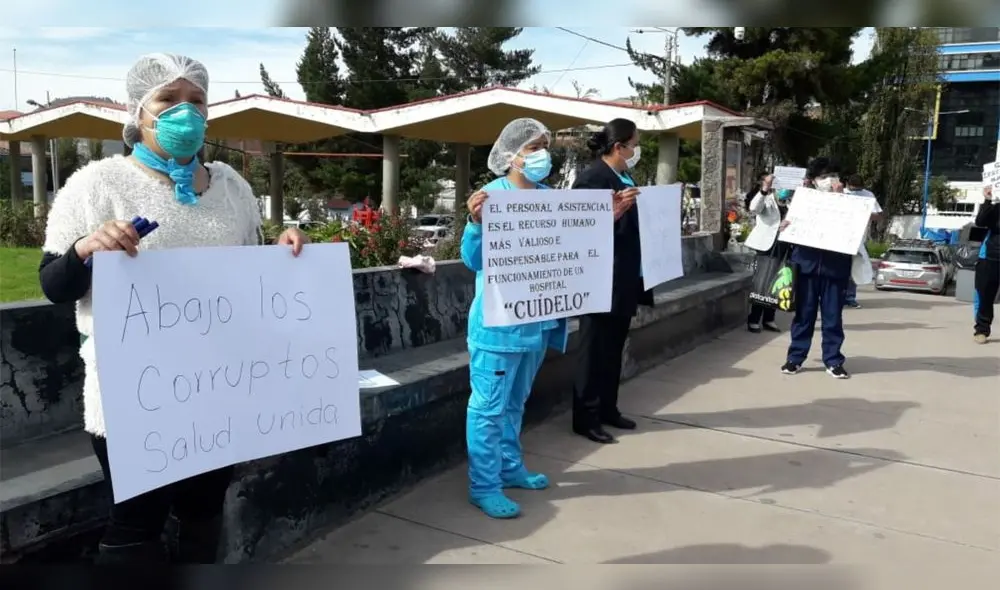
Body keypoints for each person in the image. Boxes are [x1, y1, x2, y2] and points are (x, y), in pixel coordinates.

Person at [37, 53, 309, 564]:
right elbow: (53, 284)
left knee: (204, 511)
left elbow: (250, 273)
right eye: (168, 99)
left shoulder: (232, 187)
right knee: (136, 523)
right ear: (139, 112)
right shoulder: (97, 184)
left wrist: (286, 252)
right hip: (134, 391)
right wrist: (87, 249)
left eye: (197, 100)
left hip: (219, 384)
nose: (185, 111)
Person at [460, 118, 570, 519]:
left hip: (535, 325)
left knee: (515, 404)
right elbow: (472, 261)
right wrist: (475, 224)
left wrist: (600, 221)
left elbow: (570, 252)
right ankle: (483, 485)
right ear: (512, 155)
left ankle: (509, 467)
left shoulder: (549, 198)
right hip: (498, 328)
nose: (542, 155)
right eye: (533, 147)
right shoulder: (489, 197)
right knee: (488, 408)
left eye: (545, 146)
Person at [570, 118, 650, 444]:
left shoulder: (625, 175)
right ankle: (585, 416)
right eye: (634, 145)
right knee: (593, 350)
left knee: (615, 347)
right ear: (619, 146)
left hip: (625, 277)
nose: (636, 151)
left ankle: (608, 407)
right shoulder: (592, 179)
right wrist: (611, 214)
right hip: (599, 278)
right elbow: (577, 229)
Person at [778, 157, 852, 379]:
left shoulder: (850, 203)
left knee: (832, 318)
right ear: (812, 180)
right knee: (804, 315)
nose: (828, 180)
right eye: (822, 177)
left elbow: (855, 228)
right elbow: (789, 230)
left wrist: (839, 199)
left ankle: (833, 360)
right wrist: (784, 227)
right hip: (806, 267)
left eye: (832, 176)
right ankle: (795, 358)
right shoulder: (802, 201)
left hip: (835, 269)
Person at [743, 173, 789, 333]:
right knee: (762, 282)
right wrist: (765, 189)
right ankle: (754, 319)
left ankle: (769, 318)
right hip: (767, 245)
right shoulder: (764, 197)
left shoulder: (789, 199)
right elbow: (754, 208)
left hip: (785, 244)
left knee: (778, 282)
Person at [842, 174, 883, 308]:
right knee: (839, 268)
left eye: (858, 189)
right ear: (847, 184)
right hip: (841, 236)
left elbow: (878, 215)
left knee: (855, 268)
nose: (856, 192)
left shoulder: (868, 195)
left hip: (859, 238)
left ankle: (850, 297)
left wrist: (865, 212)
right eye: (853, 190)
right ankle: (836, 297)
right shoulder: (841, 192)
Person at [974, 185, 999, 344]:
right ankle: (982, 330)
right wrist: (988, 200)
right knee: (986, 296)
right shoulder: (996, 206)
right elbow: (980, 221)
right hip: (992, 258)